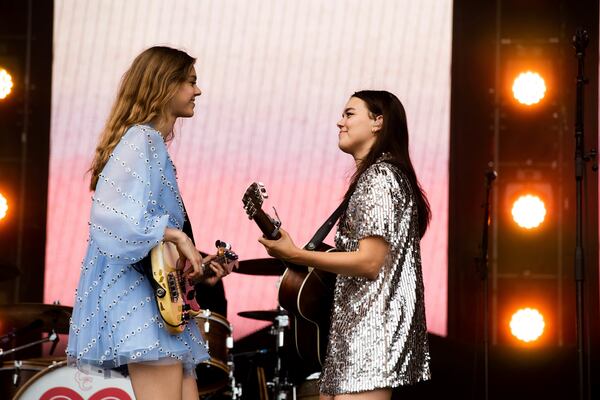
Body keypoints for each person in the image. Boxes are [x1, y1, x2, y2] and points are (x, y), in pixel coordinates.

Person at [66, 46, 230, 400]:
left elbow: (150, 240)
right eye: (189, 82)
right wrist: (175, 235)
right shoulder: (142, 139)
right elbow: (110, 218)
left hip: (158, 300)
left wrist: (194, 263)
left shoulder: (149, 143)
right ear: (163, 86)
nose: (197, 91)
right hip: (140, 301)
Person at [258, 90, 432, 400]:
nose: (340, 122)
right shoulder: (380, 178)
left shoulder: (381, 178)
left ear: (378, 122)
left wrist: (296, 253)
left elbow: (369, 262)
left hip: (369, 337)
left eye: (350, 114)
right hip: (352, 334)